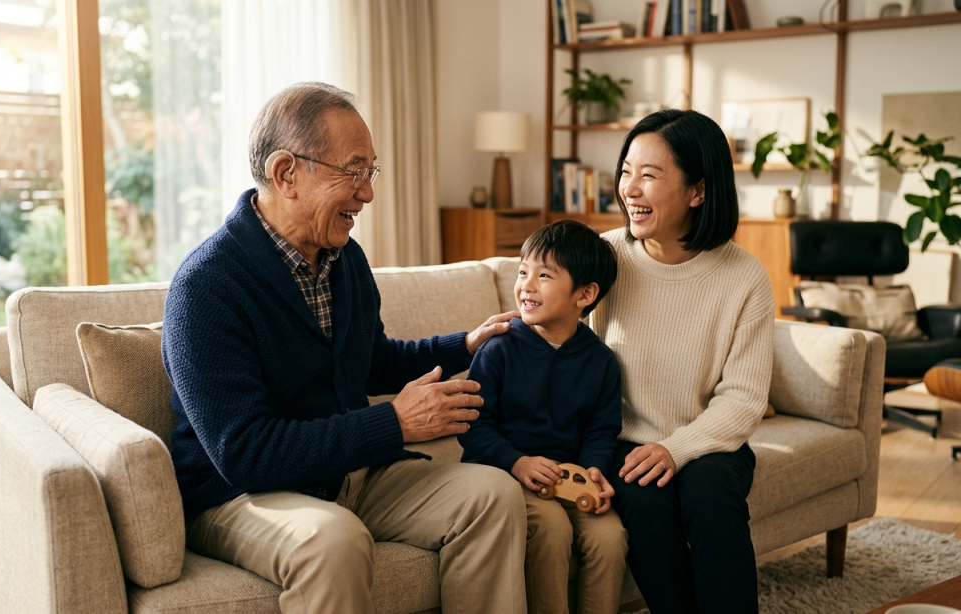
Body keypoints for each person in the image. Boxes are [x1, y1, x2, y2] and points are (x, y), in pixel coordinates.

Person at [161, 82, 527, 614]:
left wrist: (466, 345)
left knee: (491, 495)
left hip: (346, 474)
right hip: (238, 495)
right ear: (287, 173)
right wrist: (394, 424)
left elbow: (370, 359)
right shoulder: (207, 285)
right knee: (331, 539)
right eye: (353, 171)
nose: (367, 193)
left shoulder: (344, 259)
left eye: (370, 172)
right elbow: (244, 453)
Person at [590, 109, 774, 614]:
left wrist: (677, 449)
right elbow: (563, 350)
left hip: (711, 442)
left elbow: (743, 399)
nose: (630, 188)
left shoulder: (744, 276)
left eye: (649, 175)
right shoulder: (604, 260)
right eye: (627, 171)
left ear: (698, 190)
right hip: (627, 444)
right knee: (644, 505)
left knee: (711, 499)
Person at [458, 220, 628, 614]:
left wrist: (595, 470)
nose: (526, 285)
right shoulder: (498, 348)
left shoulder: (602, 361)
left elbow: (602, 430)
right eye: (522, 272)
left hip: (570, 479)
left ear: (585, 294)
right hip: (505, 475)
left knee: (612, 537)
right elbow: (473, 426)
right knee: (550, 531)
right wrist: (517, 462)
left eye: (544, 275)